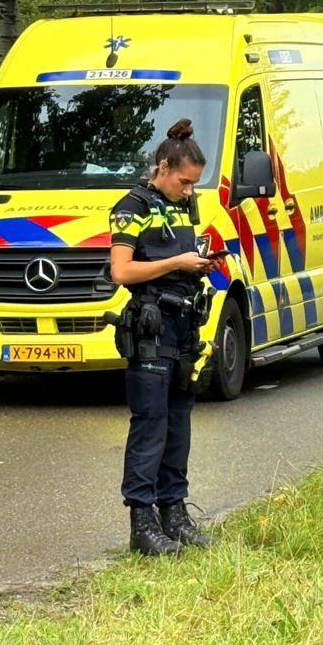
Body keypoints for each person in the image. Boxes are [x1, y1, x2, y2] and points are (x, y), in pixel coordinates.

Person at [109, 118, 219, 556]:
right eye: (185, 181)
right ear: (163, 166)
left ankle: (174, 515)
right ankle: (142, 523)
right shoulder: (132, 207)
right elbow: (122, 271)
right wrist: (177, 264)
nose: (190, 190)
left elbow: (179, 253)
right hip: (150, 323)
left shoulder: (182, 206)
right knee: (151, 424)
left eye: (194, 183)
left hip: (183, 325)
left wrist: (200, 262)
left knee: (179, 425)